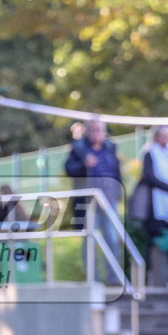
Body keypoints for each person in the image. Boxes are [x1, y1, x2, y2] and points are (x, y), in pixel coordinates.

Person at [63, 117, 123, 285]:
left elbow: (116, 172)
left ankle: (114, 278)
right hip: (88, 202)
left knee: (112, 238)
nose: (97, 133)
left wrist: (118, 192)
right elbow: (69, 170)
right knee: (89, 240)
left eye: (100, 130)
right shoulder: (78, 149)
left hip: (109, 201)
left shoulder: (110, 148)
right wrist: (84, 165)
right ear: (88, 132)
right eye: (94, 130)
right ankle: (92, 279)